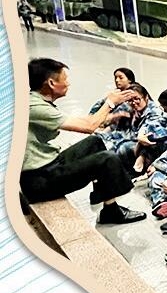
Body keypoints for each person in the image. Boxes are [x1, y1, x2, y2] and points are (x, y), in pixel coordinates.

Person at [21, 58, 145, 224]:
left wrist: (111, 113)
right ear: (51, 83)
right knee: (107, 159)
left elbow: (89, 121)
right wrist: (110, 103)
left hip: (47, 165)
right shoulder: (35, 108)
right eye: (65, 79)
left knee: (94, 142)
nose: (68, 83)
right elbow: (88, 126)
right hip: (39, 180)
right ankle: (111, 212)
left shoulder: (35, 101)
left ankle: (104, 198)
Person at [97, 83, 164, 174]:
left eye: (137, 99)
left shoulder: (154, 112)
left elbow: (149, 128)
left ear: (146, 97)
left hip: (145, 145)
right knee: (99, 139)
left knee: (123, 149)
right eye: (130, 100)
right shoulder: (131, 107)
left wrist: (141, 149)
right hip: (130, 136)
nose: (134, 102)